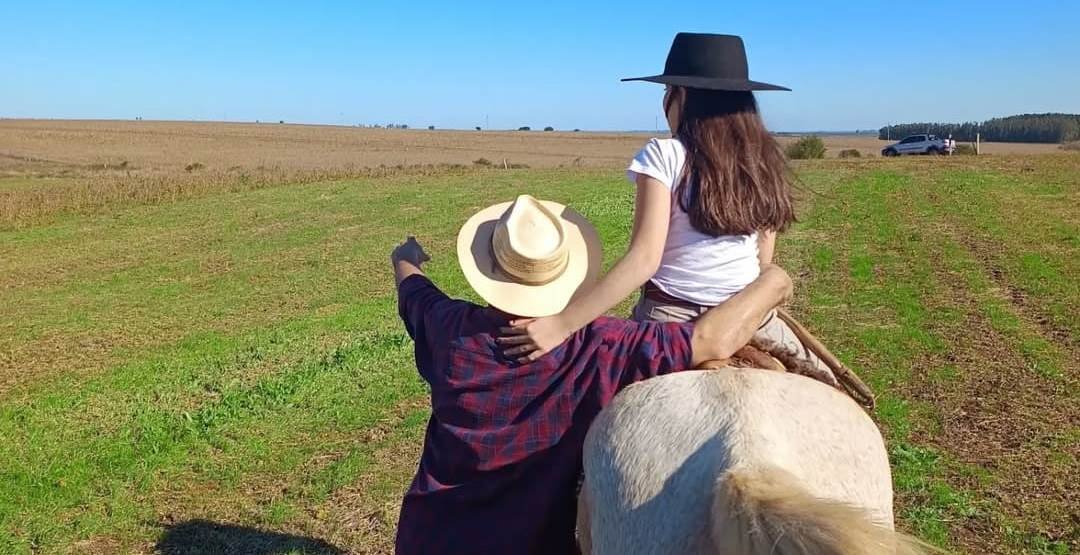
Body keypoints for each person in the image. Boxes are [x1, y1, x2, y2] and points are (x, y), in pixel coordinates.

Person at [392, 194, 793, 554]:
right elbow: (709, 340)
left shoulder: (448, 326)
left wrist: (406, 256)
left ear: (490, 269)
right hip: (531, 543)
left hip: (429, 537)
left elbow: (413, 289)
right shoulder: (600, 346)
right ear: (564, 273)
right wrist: (773, 280)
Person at [500, 33, 833, 382]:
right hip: (749, 317)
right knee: (832, 392)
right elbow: (763, 264)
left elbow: (644, 260)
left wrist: (562, 326)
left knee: (589, 411)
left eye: (666, 92)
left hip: (671, 321)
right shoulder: (764, 161)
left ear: (682, 96)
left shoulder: (664, 155)